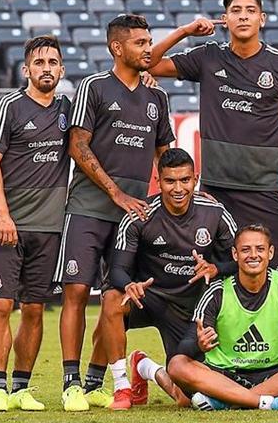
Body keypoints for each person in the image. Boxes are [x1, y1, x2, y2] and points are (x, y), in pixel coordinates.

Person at [147, 0, 278, 275]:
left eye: (250, 10)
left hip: (265, 190)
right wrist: (185, 31)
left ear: (262, 18)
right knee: (214, 274)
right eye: (236, 11)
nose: (243, 16)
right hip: (216, 192)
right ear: (225, 18)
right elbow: (149, 64)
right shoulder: (208, 57)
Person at [58, 14, 175, 412]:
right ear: (117, 47)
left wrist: (175, 199)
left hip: (133, 215)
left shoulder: (157, 98)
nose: (148, 49)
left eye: (149, 42)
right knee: (76, 292)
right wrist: (116, 192)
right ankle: (71, 382)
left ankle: (95, 381)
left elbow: (166, 156)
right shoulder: (94, 87)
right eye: (141, 43)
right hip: (88, 209)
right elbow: (78, 146)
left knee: (118, 297)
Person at [98, 148, 238, 409]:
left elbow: (241, 260)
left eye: (185, 180)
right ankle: (121, 387)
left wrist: (215, 269)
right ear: (158, 181)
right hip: (148, 297)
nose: (178, 188)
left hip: (189, 307)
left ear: (195, 179)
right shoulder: (140, 214)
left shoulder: (215, 212)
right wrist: (129, 284)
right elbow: (117, 269)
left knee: (186, 399)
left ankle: (145, 366)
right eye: (170, 181)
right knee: (113, 299)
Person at [0, 35, 70, 412]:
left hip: (49, 227)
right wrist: (2, 213)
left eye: (52, 62)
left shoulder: (69, 109)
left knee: (33, 309)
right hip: (8, 224)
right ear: (26, 69)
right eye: (39, 62)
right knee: (0, 305)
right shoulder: (8, 106)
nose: (46, 68)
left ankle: (21, 387)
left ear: (61, 69)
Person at [167, 225, 278, 411]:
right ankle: (269, 403)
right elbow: (185, 347)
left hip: (276, 375)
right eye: (245, 250)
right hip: (225, 375)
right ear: (235, 254)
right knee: (177, 365)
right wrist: (198, 345)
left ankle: (228, 401)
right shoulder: (217, 292)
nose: (253, 255)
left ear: (270, 253)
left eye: (260, 249)